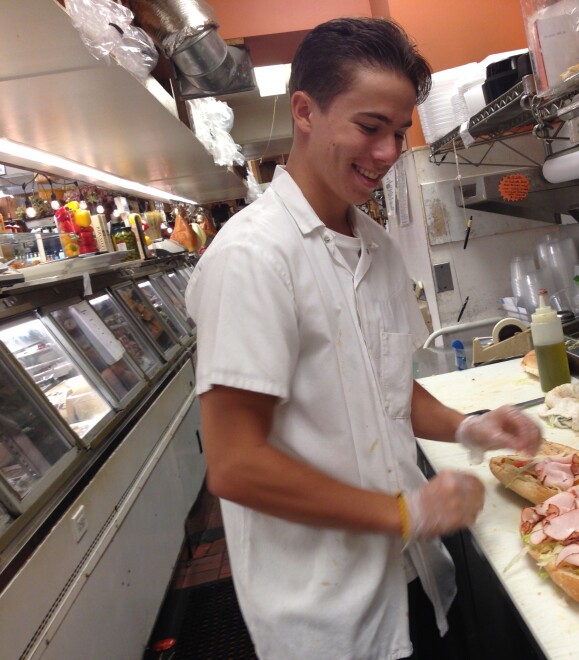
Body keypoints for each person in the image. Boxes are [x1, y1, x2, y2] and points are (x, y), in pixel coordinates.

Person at [185, 17, 541, 660]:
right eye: (369, 127)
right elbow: (235, 464)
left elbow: (383, 388)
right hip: (327, 613)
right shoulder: (252, 258)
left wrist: (470, 428)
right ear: (304, 112)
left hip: (417, 579)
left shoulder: (373, 247)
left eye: (400, 132)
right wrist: (406, 513)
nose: (387, 152)